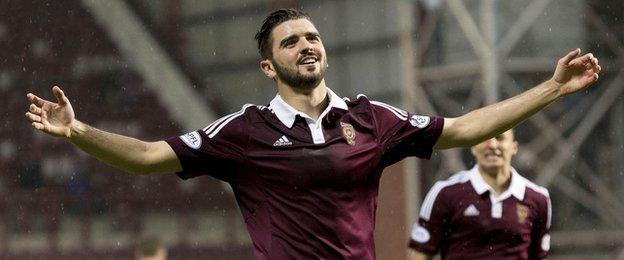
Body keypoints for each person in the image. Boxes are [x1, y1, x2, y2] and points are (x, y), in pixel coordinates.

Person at [24, 8, 599, 260]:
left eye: (312, 37)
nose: (308, 46)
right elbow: (150, 156)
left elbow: (466, 126)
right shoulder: (246, 131)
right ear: (269, 67)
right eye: (291, 42)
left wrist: (551, 89)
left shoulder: (373, 120)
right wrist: (77, 131)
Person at [408, 130, 550, 260]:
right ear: (473, 147)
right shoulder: (445, 192)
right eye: (484, 139)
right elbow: (420, 254)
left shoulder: (538, 198)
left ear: (514, 147)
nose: (492, 145)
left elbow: (539, 256)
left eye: (500, 138)